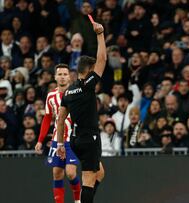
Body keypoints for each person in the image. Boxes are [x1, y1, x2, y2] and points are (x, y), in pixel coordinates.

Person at [56, 21, 106, 203]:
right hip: (89, 139)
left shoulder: (68, 91)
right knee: (88, 180)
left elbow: (60, 120)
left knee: (100, 172)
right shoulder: (87, 85)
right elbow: (102, 60)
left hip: (74, 140)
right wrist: (100, 34)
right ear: (89, 71)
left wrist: (61, 144)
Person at [35, 64, 81, 203]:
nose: (62, 77)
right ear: (55, 77)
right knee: (57, 174)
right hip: (57, 139)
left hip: (73, 139)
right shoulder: (51, 96)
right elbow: (47, 118)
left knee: (71, 173)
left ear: (70, 77)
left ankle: (78, 199)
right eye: (59, 74)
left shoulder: (77, 93)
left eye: (65, 74)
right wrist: (40, 140)